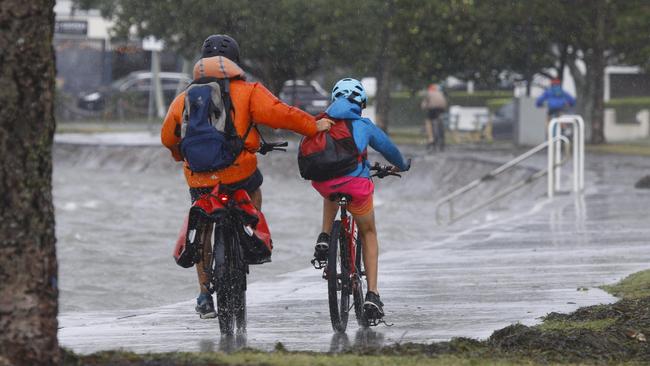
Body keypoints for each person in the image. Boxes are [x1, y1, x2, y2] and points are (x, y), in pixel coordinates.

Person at [161, 34, 333, 319]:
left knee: (202, 226)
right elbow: (283, 115)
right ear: (235, 62)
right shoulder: (249, 91)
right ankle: (247, 232)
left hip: (200, 178)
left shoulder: (184, 98)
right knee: (255, 188)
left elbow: (168, 136)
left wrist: (183, 156)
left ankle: (205, 295)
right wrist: (314, 126)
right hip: (239, 174)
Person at [310, 78, 410, 321]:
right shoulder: (363, 125)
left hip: (323, 183)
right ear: (361, 103)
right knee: (368, 233)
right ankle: (372, 295)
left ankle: (325, 236)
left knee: (332, 187)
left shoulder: (321, 121)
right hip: (356, 187)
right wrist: (402, 165)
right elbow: (389, 149)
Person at [420, 83, 447, 151]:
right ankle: (441, 141)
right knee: (439, 122)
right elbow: (444, 102)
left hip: (433, 109)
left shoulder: (429, 93)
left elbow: (424, 104)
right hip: (441, 109)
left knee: (428, 121)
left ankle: (431, 138)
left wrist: (423, 106)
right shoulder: (440, 93)